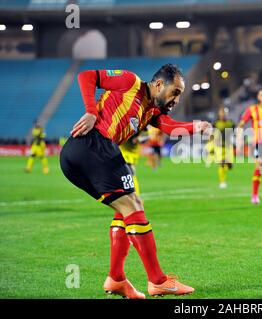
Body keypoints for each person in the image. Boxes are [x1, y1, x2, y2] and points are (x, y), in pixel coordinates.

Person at [60, 64, 211, 298]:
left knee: (125, 210)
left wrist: (195, 126)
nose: (176, 100)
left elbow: (171, 128)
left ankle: (116, 279)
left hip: (77, 156)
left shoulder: (151, 112)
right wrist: (91, 111)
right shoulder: (130, 82)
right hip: (94, 143)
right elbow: (86, 76)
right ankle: (158, 281)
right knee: (135, 207)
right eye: (176, 92)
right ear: (160, 84)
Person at [212, 106, 235, 189]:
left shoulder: (231, 123)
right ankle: (222, 182)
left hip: (229, 146)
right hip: (219, 146)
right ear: (219, 114)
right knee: (221, 163)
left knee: (229, 165)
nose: (223, 115)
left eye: (224, 113)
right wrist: (211, 147)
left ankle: (229, 165)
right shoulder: (215, 123)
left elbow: (235, 133)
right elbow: (212, 135)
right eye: (221, 113)